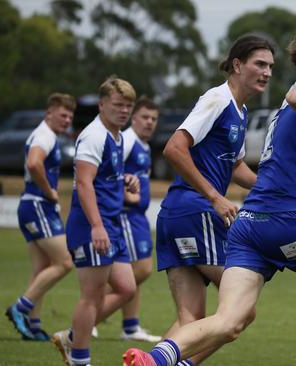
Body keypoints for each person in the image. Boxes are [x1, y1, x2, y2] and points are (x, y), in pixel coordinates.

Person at [122, 24, 296, 366]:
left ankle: (155, 359)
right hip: (285, 219)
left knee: (229, 321)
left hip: (248, 225)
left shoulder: (292, 113)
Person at [152, 34, 274, 365]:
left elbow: (234, 166)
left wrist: (272, 187)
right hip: (196, 211)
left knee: (190, 321)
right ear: (237, 64)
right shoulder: (216, 99)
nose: (267, 72)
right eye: (259, 64)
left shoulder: (240, 110)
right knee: (241, 310)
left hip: (179, 214)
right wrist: (214, 197)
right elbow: (174, 148)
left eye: (270, 67)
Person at [52, 77, 140, 366]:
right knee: (91, 296)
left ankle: (71, 336)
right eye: (118, 105)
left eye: (128, 106)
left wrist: (124, 179)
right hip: (93, 225)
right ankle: (79, 358)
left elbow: (102, 178)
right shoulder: (94, 135)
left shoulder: (116, 136)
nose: (124, 111)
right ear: (102, 104)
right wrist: (97, 226)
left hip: (110, 224)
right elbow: (84, 184)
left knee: (127, 288)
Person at [6, 93, 76, 341]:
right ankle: (21, 308)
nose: (67, 120)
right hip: (38, 204)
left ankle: (32, 325)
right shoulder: (44, 135)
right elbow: (34, 164)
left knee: (41, 269)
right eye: (62, 114)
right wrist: (50, 192)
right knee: (66, 262)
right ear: (49, 113)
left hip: (31, 204)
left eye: (70, 116)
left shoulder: (46, 134)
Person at [115, 96, 161, 342]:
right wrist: (126, 196)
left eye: (154, 119)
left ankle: (131, 326)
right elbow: (109, 171)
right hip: (127, 216)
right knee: (140, 270)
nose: (149, 122)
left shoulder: (143, 145)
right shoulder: (128, 141)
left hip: (138, 217)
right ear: (133, 118)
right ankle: (97, 311)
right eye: (145, 117)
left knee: (135, 272)